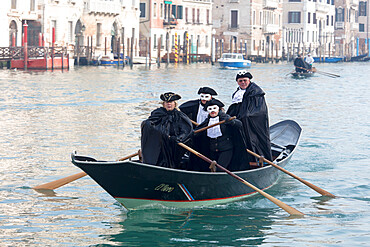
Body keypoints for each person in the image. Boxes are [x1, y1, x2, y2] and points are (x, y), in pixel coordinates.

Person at [226, 70, 272, 166]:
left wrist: (243, 117)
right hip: (238, 118)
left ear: (249, 80)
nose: (243, 83)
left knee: (250, 136)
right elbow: (235, 107)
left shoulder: (256, 92)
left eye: (245, 80)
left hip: (253, 121)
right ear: (237, 82)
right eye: (240, 81)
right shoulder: (238, 92)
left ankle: (255, 159)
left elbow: (258, 110)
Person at [191, 99, 249, 172]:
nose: (212, 111)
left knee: (220, 169)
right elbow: (198, 132)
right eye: (210, 109)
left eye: (214, 108)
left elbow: (239, 125)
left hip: (226, 149)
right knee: (209, 168)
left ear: (219, 109)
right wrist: (193, 133)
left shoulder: (225, 118)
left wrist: (232, 122)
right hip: (212, 150)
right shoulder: (207, 122)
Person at [141, 92, 193, 168]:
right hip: (159, 145)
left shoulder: (180, 116)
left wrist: (177, 138)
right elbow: (149, 126)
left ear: (175, 103)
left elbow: (186, 131)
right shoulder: (157, 113)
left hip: (173, 145)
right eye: (166, 102)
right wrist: (161, 134)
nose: (169, 104)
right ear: (163, 104)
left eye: (171, 102)